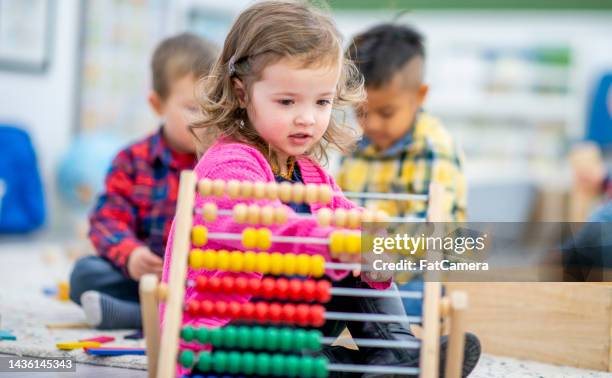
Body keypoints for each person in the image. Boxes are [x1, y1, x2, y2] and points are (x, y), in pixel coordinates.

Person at [162, 3, 479, 377]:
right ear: (242, 92)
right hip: (224, 333)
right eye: (287, 101)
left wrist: (373, 242)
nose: (307, 118)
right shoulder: (230, 163)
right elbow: (260, 231)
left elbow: (345, 215)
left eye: (322, 102)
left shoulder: (309, 172)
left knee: (361, 248)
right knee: (328, 270)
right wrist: (332, 242)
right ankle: (350, 367)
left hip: (293, 328)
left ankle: (394, 352)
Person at [69, 33, 218, 329]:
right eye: (192, 108)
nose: (206, 119)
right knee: (84, 274)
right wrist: (131, 255)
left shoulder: (228, 163)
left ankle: (141, 315)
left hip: (204, 283)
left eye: (214, 106)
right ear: (157, 104)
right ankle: (155, 312)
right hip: (148, 277)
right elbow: (106, 219)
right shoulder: (132, 160)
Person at [338, 23, 466, 222]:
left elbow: (425, 231)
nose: (372, 124)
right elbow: (339, 206)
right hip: (361, 250)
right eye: (360, 111)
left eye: (386, 113)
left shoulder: (433, 149)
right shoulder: (354, 148)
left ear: (419, 95)